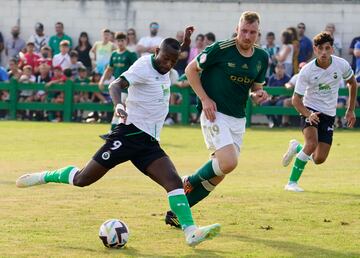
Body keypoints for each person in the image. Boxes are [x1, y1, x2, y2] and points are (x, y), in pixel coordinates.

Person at [15, 26, 221, 247]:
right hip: (127, 135)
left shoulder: (168, 61)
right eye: (164, 59)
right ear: (155, 52)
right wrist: (119, 105)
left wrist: (186, 42)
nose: (168, 64)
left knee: (174, 182)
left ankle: (191, 232)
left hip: (149, 143)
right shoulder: (143, 66)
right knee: (82, 179)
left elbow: (176, 50)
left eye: (172, 61)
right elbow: (115, 84)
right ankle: (44, 176)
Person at [164, 11, 268, 227]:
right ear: (237, 29)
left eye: (253, 32)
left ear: (258, 33)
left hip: (238, 118)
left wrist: (258, 95)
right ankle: (189, 181)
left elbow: (255, 88)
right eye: (244, 31)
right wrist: (205, 100)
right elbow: (191, 69)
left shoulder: (262, 57)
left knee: (219, 173)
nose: (247, 36)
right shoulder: (221, 49)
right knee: (229, 162)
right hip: (214, 113)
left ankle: (176, 214)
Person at [281, 31, 357, 192]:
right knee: (312, 143)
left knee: (318, 159)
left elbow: (352, 83)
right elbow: (296, 100)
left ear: (332, 50)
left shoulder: (341, 64)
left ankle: (296, 148)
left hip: (329, 114)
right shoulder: (307, 71)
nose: (324, 52)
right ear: (315, 49)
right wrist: (309, 114)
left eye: (327, 48)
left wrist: (350, 110)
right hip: (310, 109)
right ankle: (291, 183)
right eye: (320, 48)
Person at [98, 32, 138, 139]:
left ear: (126, 41)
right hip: (117, 86)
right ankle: (120, 132)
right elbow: (109, 69)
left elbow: (137, 69)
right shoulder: (114, 55)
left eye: (122, 40)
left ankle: (113, 132)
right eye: (118, 41)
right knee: (120, 108)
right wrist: (102, 80)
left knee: (119, 107)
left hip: (128, 86)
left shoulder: (131, 54)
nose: (120, 43)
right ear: (115, 42)